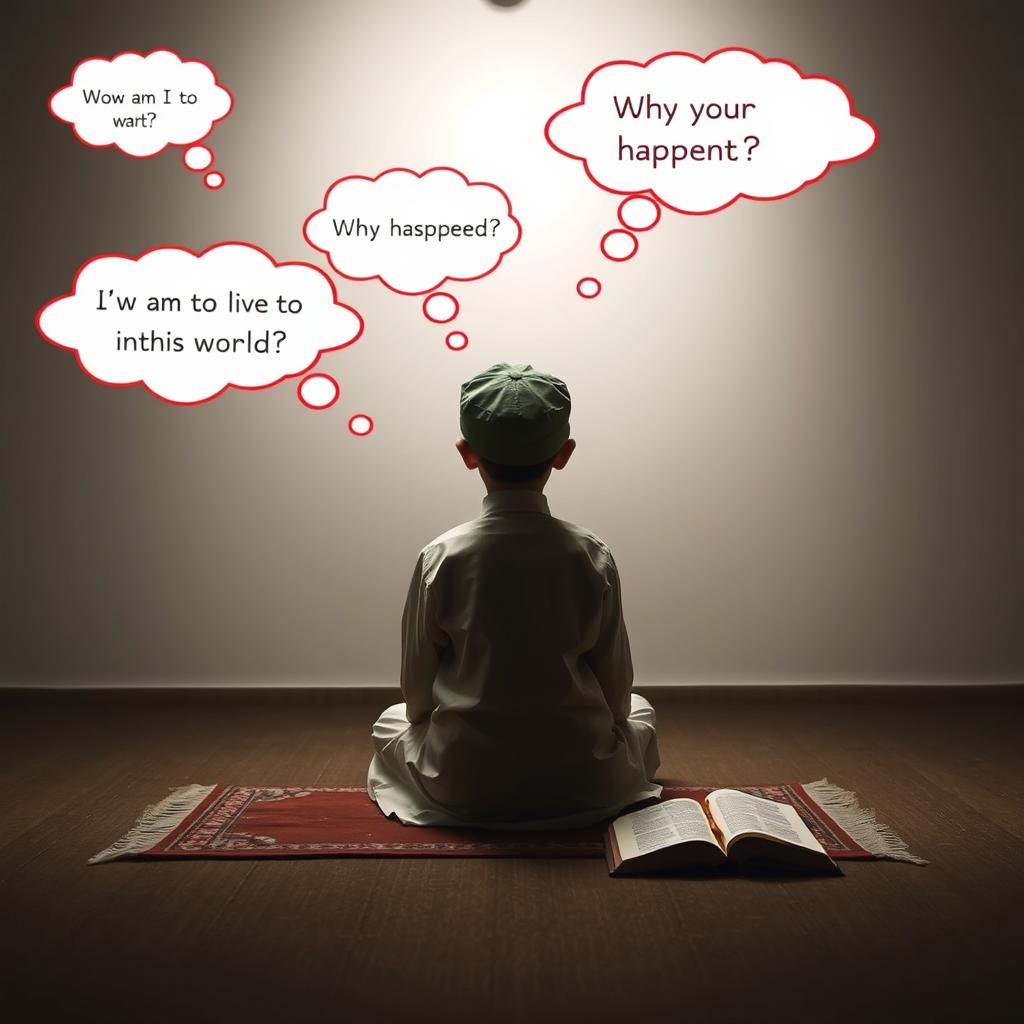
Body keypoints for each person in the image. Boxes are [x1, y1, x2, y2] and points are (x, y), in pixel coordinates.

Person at [367, 362, 662, 829]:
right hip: (581, 777)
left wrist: (424, 725)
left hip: (463, 778)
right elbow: (617, 691)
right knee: (642, 711)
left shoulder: (441, 555)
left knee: (392, 718)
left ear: (467, 453)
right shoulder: (591, 554)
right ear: (563, 454)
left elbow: (417, 689)